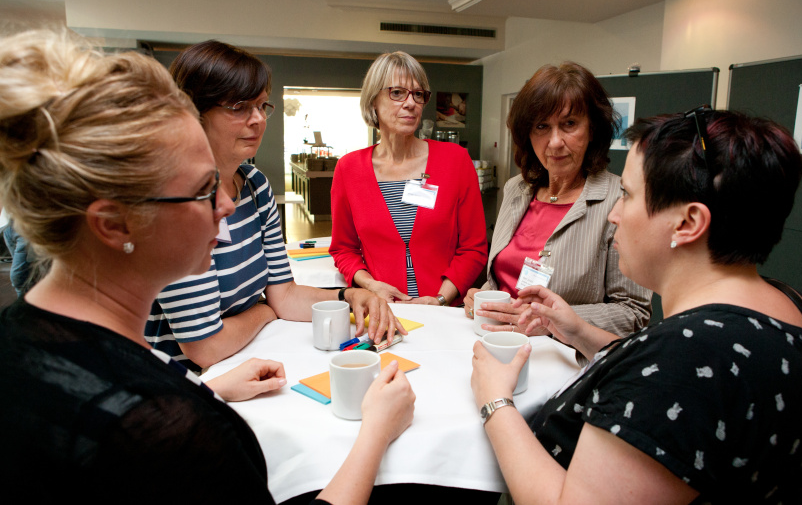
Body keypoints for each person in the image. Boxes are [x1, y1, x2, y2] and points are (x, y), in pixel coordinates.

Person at [0, 29, 415, 503]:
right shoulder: (167, 429)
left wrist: (211, 391)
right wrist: (376, 433)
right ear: (113, 225)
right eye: (202, 191)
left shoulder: (25, 336)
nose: (226, 204)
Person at [471, 109, 802, 503]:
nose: (614, 215)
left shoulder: (684, 361)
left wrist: (496, 401)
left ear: (687, 223)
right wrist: (580, 331)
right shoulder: (786, 303)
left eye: (628, 196)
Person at [147, 40, 403, 372]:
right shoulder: (177, 201)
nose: (257, 120)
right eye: (239, 107)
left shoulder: (254, 185)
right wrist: (265, 310)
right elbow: (206, 347)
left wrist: (347, 297)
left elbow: (284, 295)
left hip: (244, 362)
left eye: (262, 106)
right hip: (192, 386)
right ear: (194, 112)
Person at [464, 62, 650, 344]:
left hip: (566, 361)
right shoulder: (517, 189)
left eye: (569, 124)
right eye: (542, 126)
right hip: (496, 344)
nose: (554, 142)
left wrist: (552, 321)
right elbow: (505, 277)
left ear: (593, 129)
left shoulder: (621, 199)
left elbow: (633, 313)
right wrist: (484, 295)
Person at [329, 51, 487, 315]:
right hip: (380, 312)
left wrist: (439, 299)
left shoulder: (455, 161)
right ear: (373, 102)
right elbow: (343, 249)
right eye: (397, 93)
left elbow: (473, 247)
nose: (410, 103)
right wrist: (370, 285)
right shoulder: (349, 169)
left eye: (418, 94)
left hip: (444, 312)